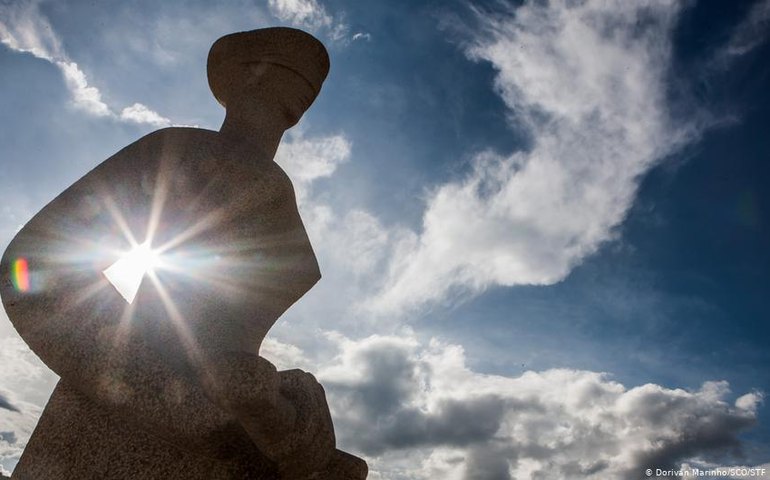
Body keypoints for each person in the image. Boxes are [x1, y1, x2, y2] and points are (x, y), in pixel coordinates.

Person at [1, 27, 366, 479]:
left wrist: (287, 420)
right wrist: (174, 400)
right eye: (283, 63)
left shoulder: (281, 195)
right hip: (105, 429)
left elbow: (235, 359)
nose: (307, 78)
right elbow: (35, 271)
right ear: (242, 76)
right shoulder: (177, 152)